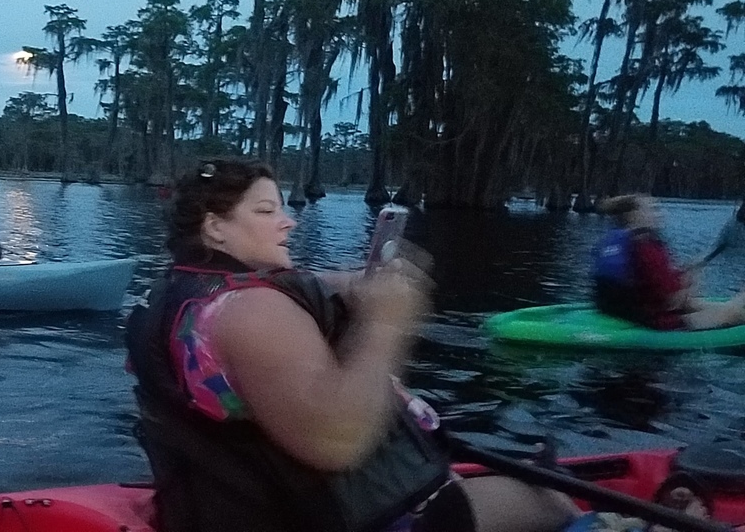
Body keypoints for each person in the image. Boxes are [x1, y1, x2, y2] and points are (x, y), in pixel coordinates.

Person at [125, 158, 581, 532]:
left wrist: (354, 285)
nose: (288, 222)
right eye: (265, 212)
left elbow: (298, 287)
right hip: (325, 520)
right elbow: (336, 441)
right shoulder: (250, 312)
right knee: (552, 501)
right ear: (215, 228)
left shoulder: (176, 292)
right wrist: (386, 323)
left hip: (224, 510)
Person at [593, 194, 745, 330]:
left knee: (696, 304)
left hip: (636, 311)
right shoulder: (647, 247)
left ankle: (737, 302)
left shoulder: (616, 241)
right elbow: (673, 301)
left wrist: (683, 274)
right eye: (653, 209)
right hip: (659, 321)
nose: (660, 214)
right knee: (735, 315)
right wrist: (692, 281)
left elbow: (652, 283)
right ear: (634, 216)